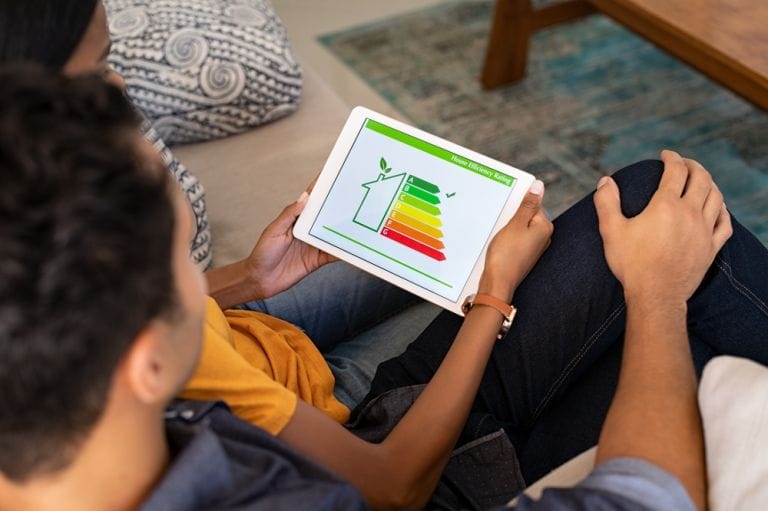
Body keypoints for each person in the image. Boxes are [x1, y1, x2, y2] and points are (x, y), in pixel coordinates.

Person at [4, 69, 768, 511]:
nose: (202, 289)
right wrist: (655, 292)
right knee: (663, 255)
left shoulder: (108, 432)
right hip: (416, 469)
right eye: (183, 260)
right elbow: (637, 501)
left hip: (365, 427)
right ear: (143, 362)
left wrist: (245, 282)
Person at [0, 0, 440, 411]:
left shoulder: (61, 217)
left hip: (242, 331)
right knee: (483, 288)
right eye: (99, 70)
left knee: (455, 246)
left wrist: (251, 277)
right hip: (306, 389)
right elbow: (386, 481)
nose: (119, 82)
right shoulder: (64, 266)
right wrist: (493, 303)